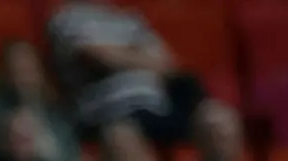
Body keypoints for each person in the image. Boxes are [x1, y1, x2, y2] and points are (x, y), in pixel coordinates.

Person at [49, 0, 203, 143]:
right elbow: (99, 57)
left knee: (196, 94)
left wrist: (121, 56)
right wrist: (138, 52)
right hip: (111, 110)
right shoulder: (68, 18)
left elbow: (168, 63)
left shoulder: (128, 18)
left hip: (156, 103)